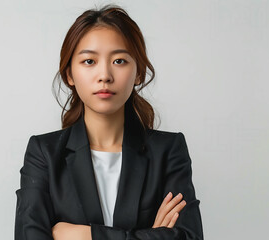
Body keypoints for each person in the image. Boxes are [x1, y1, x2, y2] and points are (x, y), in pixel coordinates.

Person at [14, 4, 203, 240]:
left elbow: (188, 237)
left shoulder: (168, 150)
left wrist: (86, 235)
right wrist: (150, 235)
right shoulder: (44, 154)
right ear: (70, 74)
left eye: (120, 61)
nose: (104, 75)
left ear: (139, 72)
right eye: (89, 61)